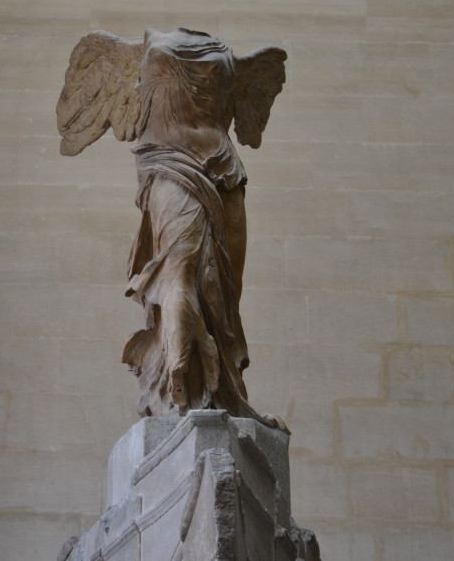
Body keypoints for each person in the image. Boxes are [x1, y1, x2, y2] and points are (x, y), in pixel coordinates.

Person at [57, 28, 287, 430]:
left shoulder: (226, 58)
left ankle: (225, 394)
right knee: (176, 275)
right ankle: (178, 388)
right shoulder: (151, 51)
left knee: (224, 297)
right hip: (171, 170)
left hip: (225, 174)